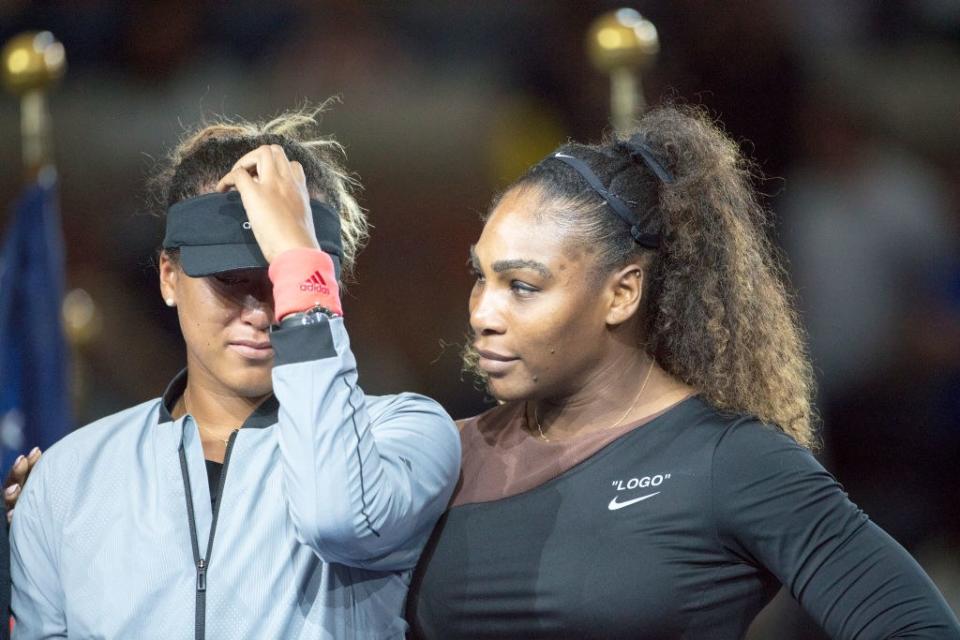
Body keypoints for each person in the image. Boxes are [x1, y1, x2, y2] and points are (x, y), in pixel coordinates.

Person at [406, 105, 960, 639]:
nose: (481, 313)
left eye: (522, 286)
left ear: (622, 293)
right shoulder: (442, 454)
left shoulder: (732, 463)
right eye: (481, 278)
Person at [9, 109, 461, 639]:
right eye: (230, 281)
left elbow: (339, 519)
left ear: (324, 286)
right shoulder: (67, 479)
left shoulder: (405, 432)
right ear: (169, 277)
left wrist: (298, 260)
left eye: (284, 282)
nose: (262, 312)